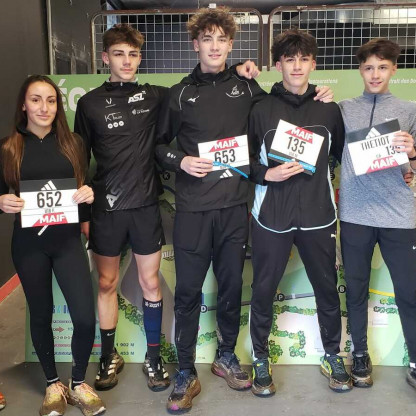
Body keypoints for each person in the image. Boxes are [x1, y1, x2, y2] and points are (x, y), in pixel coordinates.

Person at [156, 8, 334, 413]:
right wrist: (180, 161)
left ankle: (226, 356)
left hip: (235, 208)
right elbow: (159, 146)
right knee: (187, 292)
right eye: (207, 39)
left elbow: (285, 108)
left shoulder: (248, 88)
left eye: (222, 39)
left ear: (231, 45)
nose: (214, 46)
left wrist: (320, 95)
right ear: (195, 44)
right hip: (193, 209)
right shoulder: (179, 94)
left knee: (232, 286)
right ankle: (185, 371)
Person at [248, 29, 352, 396]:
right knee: (263, 289)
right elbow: (245, 162)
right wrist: (268, 174)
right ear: (278, 64)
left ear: (313, 64)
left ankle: (332, 354)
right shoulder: (260, 109)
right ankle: (260, 357)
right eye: (289, 59)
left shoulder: (329, 109)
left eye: (304, 59)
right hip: (270, 216)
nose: (297, 66)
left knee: (326, 288)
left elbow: (342, 155)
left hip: (318, 215)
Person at [74, 24, 172, 393]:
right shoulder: (89, 104)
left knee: (150, 283)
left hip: (145, 206)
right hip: (105, 210)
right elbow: (78, 161)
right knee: (106, 283)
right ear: (105, 58)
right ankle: (108, 356)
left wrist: (241, 70)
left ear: (140, 58)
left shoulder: (156, 96)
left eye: (133, 54)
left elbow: (198, 92)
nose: (127, 61)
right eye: (119, 54)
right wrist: (83, 215)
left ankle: (153, 357)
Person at [0, 75, 105, 416]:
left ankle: (78, 382)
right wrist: (1, 201)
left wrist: (88, 195)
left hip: (67, 242)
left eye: (51, 100)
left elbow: (82, 189)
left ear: (58, 106)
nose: (44, 107)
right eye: (36, 99)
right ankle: (52, 384)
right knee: (41, 315)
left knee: (84, 317)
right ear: (24, 105)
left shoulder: (74, 143)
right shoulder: (8, 147)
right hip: (28, 245)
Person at [338, 38, 416, 389]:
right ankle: (359, 355)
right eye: (369, 67)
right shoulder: (343, 109)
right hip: (355, 214)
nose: (375, 74)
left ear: (394, 70)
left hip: (399, 215)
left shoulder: (409, 110)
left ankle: (415, 360)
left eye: (382, 67)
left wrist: (412, 152)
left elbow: (415, 164)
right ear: (360, 70)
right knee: (355, 291)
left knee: (409, 292)